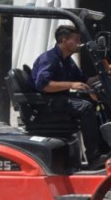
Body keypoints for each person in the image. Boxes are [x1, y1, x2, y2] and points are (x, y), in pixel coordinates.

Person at [31, 24, 104, 168]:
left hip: (59, 100)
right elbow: (43, 85)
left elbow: (85, 80)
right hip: (47, 102)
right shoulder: (50, 59)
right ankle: (94, 157)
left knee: (94, 104)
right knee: (86, 108)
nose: (79, 43)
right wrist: (71, 85)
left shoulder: (68, 61)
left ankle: (102, 150)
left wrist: (103, 75)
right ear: (64, 40)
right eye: (76, 39)